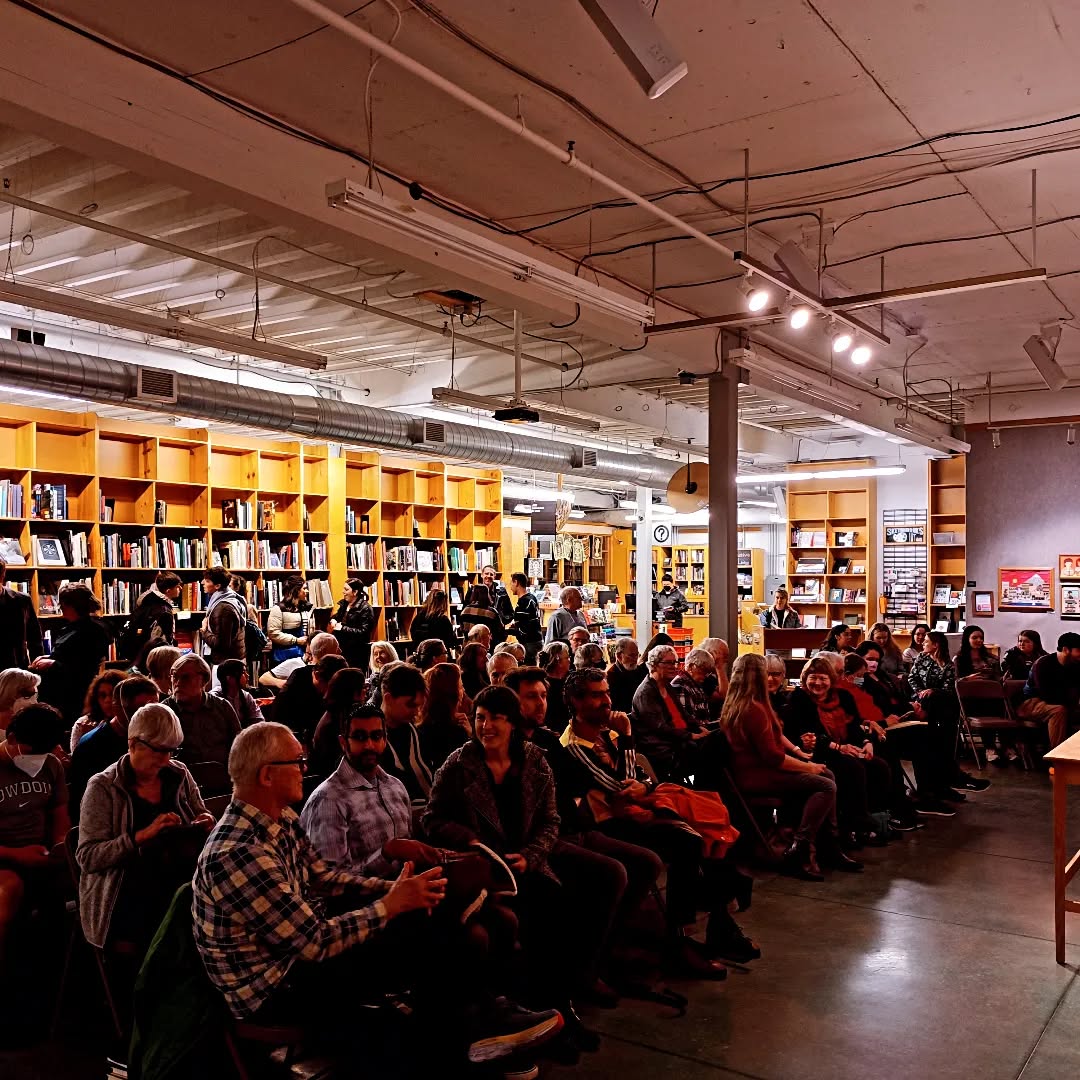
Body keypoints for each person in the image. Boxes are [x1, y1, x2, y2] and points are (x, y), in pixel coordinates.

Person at [297, 708, 564, 1067]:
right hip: (368, 910)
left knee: (505, 921)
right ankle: (470, 1036)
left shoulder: (393, 787)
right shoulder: (329, 799)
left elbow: (413, 848)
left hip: (409, 894)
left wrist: (431, 853)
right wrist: (387, 853)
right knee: (474, 936)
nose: (370, 744)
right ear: (343, 741)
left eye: (377, 735)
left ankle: (494, 1027)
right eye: (360, 737)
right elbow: (330, 885)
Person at [424, 685, 597, 1043]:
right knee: (520, 921)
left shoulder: (534, 760)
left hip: (526, 865)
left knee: (560, 910)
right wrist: (469, 840)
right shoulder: (458, 765)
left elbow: (551, 821)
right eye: (480, 718)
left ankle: (559, 1008)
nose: (486, 726)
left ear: (512, 724)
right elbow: (432, 820)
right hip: (484, 874)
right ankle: (525, 1015)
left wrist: (531, 855)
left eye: (496, 719)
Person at [559, 669, 755, 969]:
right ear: (576, 701)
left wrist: (645, 784)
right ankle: (680, 937)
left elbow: (637, 778)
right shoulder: (573, 745)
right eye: (597, 696)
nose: (607, 701)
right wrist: (626, 737)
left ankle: (717, 925)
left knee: (706, 831)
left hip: (635, 812)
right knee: (688, 841)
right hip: (608, 824)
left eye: (607, 693)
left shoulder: (605, 732)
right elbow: (618, 785)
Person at [77, 703, 213, 955]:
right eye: (158, 751)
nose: (165, 760)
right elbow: (88, 857)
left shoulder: (178, 773)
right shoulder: (104, 787)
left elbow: (201, 815)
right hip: (123, 889)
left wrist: (204, 821)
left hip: (178, 876)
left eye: (171, 751)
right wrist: (142, 836)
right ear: (132, 744)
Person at [721, 654, 850, 880]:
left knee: (827, 773)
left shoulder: (750, 703)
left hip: (761, 770)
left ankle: (829, 844)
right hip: (757, 776)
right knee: (825, 785)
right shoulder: (753, 709)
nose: (770, 678)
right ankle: (801, 848)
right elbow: (773, 758)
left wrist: (800, 754)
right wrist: (807, 767)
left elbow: (776, 736)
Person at [783, 656, 891, 846]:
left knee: (879, 765)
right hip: (818, 750)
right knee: (852, 767)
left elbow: (855, 725)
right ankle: (853, 823)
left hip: (844, 746)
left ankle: (874, 817)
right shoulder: (799, 698)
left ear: (831, 679)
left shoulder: (843, 696)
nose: (817, 683)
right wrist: (839, 748)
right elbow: (807, 732)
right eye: (812, 677)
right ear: (804, 678)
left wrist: (867, 742)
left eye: (823, 678)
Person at [0, 702, 68, 964]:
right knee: (10, 889)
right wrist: (18, 855)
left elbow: (59, 816)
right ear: (13, 738)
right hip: (5, 854)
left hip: (40, 852)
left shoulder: (50, 766)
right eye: (31, 752)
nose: (36, 759)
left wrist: (59, 845)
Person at [908, 631, 990, 795]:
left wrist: (933, 690)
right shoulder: (921, 659)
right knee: (933, 705)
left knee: (942, 704)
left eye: (926, 642)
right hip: (921, 700)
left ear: (936, 645)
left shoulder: (948, 665)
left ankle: (950, 776)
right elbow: (912, 678)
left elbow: (948, 687)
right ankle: (952, 776)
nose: (923, 644)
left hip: (941, 700)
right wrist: (921, 692)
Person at [68, 676, 160, 818]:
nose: (149, 716)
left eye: (154, 708)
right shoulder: (91, 746)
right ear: (117, 708)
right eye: (140, 709)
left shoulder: (154, 739)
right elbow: (83, 805)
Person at [31, 582, 111, 726]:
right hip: (59, 690)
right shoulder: (70, 627)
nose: (61, 608)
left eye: (63, 604)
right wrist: (50, 657)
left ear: (72, 605)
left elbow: (84, 667)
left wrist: (53, 663)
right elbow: (70, 655)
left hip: (73, 694)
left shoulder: (94, 631)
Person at [163, 654, 241, 769]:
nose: (178, 683)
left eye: (185, 678)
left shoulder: (222, 707)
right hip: (181, 781)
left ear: (203, 680)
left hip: (222, 778)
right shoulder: (165, 711)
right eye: (175, 677)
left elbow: (239, 747)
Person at [270, 633, 343, 739]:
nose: (340, 651)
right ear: (326, 653)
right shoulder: (334, 675)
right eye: (337, 648)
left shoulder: (299, 674)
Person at [379, 662, 434, 801]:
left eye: (419, 706)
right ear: (388, 698)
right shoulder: (370, 738)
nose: (416, 712)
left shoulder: (414, 732)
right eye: (410, 705)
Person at [1018, 632, 1080, 748]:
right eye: (1079, 650)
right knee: (1059, 710)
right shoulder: (1043, 664)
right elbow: (1048, 695)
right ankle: (1058, 758)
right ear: (1066, 650)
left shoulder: (1075, 665)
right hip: (1031, 703)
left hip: (1058, 703)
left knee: (1063, 708)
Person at [309, 667, 368, 776]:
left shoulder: (334, 713)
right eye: (364, 687)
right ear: (355, 692)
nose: (366, 691)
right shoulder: (338, 722)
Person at [122, 571, 181, 671]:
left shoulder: (147, 602)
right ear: (168, 590)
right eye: (177, 586)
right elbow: (158, 639)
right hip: (153, 660)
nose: (180, 589)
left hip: (137, 656)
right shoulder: (164, 611)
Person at [417, 663, 471, 771]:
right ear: (451, 693)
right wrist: (471, 735)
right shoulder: (457, 732)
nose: (463, 691)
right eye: (460, 686)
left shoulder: (419, 728)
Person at [69, 668, 126, 752]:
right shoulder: (83, 724)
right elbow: (77, 761)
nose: (108, 700)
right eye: (102, 695)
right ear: (96, 699)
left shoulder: (131, 720)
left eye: (113, 694)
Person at [0, 556, 42, 670]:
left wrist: (37, 669)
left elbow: (35, 637)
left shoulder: (21, 600)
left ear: (2, 575)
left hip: (16, 668)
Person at [200, 567, 247, 666]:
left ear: (217, 586)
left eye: (207, 581)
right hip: (230, 660)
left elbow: (221, 644)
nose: (202, 583)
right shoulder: (229, 599)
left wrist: (204, 631)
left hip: (226, 664)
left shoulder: (223, 609)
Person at [332, 579, 376, 671]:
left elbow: (364, 631)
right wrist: (333, 619)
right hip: (342, 649)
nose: (343, 592)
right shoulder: (344, 604)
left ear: (355, 592)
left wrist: (342, 628)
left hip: (356, 652)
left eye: (346, 589)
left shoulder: (365, 608)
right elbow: (337, 617)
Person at [267, 576, 312, 664]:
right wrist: (296, 640)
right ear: (296, 590)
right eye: (304, 588)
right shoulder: (278, 609)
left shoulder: (305, 608)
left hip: (303, 653)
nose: (307, 591)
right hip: (285, 655)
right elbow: (274, 633)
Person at [211, 658, 264, 728]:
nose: (248, 676)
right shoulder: (214, 698)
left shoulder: (246, 696)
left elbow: (258, 721)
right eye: (243, 673)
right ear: (229, 678)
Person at [508, 573, 543, 663]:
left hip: (529, 643)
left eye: (511, 583)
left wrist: (510, 630)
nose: (511, 587)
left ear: (516, 582)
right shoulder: (532, 597)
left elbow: (525, 628)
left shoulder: (524, 602)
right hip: (536, 639)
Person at [410, 590, 457, 656]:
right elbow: (450, 641)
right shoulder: (443, 620)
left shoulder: (418, 617)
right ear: (444, 603)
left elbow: (413, 635)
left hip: (421, 654)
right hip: (438, 655)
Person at [538, 642, 571, 734]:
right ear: (557, 661)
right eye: (567, 658)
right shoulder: (543, 683)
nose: (569, 660)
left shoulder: (572, 678)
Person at [606, 638, 646, 714]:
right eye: (631, 655)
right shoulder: (610, 676)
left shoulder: (641, 671)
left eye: (637, 655)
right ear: (619, 656)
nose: (635, 659)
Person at [699, 637, 731, 704]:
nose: (726, 660)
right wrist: (719, 667)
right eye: (724, 656)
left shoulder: (711, 675)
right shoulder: (701, 676)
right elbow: (725, 696)